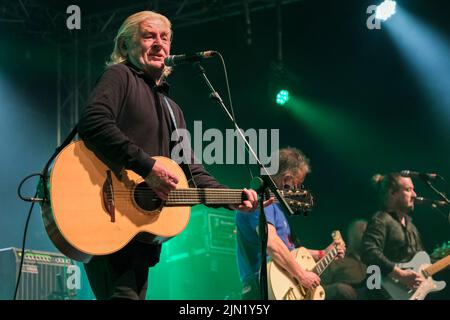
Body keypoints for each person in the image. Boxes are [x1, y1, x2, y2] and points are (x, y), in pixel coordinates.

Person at [77, 11, 262, 300]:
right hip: (104, 216)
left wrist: (231, 198)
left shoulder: (173, 110)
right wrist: (147, 167)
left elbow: (192, 172)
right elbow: (94, 122)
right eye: (149, 35)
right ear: (125, 46)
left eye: (165, 38)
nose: (159, 44)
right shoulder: (119, 76)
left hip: (139, 235)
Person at [235, 147, 345, 300]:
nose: (298, 189)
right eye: (298, 183)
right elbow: (272, 244)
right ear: (286, 178)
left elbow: (288, 251)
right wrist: (301, 275)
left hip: (280, 285)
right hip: (262, 289)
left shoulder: (277, 207)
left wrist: (323, 254)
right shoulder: (260, 200)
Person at [361, 173, 425, 299]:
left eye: (413, 190)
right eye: (408, 190)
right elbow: (369, 252)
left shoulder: (412, 227)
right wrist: (400, 274)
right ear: (392, 193)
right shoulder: (381, 219)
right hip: (382, 294)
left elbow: (421, 259)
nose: (414, 195)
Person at [321, 219, 368, 300]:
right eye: (365, 233)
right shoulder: (336, 260)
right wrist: (335, 289)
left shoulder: (377, 263)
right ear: (352, 236)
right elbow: (315, 289)